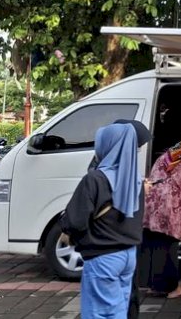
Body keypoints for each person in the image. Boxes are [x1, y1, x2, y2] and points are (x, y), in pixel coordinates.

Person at [59, 123, 143, 319]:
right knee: (118, 312)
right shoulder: (136, 180)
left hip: (103, 257)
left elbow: (75, 222)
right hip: (128, 255)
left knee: (99, 313)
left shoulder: (95, 179)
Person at [142, 134, 181, 299]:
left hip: (151, 205)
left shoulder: (166, 156)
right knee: (170, 247)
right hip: (172, 209)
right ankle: (172, 288)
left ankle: (154, 286)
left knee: (154, 244)